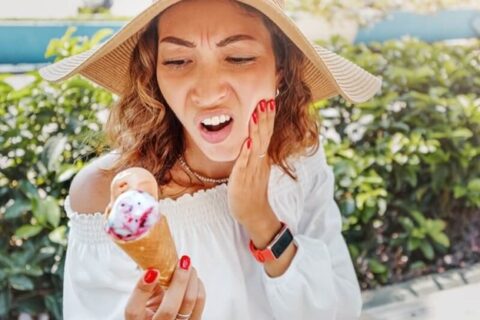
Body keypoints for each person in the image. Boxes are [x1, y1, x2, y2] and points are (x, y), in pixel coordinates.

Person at [39, 0, 382, 319]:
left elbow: (339, 309)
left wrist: (263, 222)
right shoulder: (107, 197)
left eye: (238, 57)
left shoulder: (298, 156)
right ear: (153, 74)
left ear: (281, 68)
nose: (207, 92)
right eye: (177, 61)